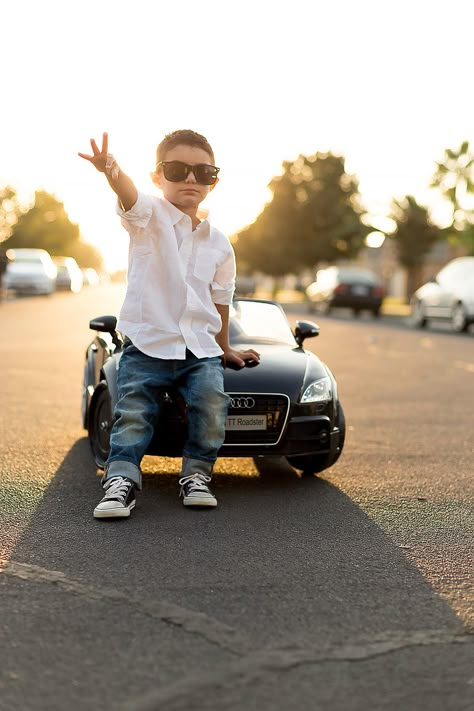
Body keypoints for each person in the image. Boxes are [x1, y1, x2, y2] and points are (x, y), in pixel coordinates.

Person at [79, 130, 260, 519]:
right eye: (177, 170)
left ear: (214, 180)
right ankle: (120, 481)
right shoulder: (148, 216)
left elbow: (220, 301)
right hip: (147, 346)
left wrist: (224, 347)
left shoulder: (220, 244)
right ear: (157, 177)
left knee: (212, 405)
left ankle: (196, 475)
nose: (191, 179)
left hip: (200, 351)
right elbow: (127, 195)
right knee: (133, 411)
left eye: (202, 171)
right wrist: (112, 171)